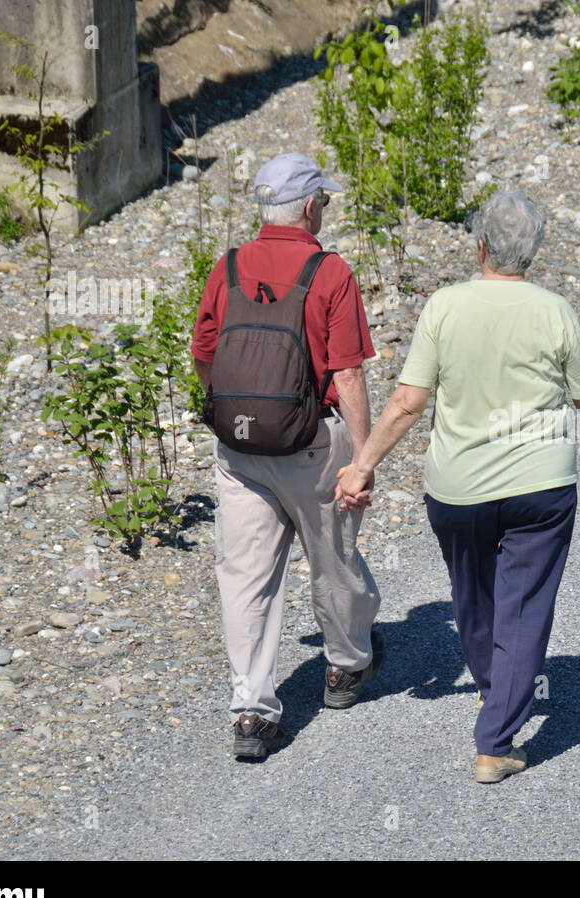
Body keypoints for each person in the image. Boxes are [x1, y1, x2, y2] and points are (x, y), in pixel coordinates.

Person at [336, 190, 580, 783]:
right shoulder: (555, 311)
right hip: (539, 487)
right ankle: (496, 736)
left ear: (481, 245)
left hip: (458, 488)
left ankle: (496, 699)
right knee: (523, 605)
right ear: (534, 251)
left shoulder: (445, 306)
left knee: (473, 597)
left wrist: (364, 464)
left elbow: (407, 401)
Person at [190, 153, 382, 759]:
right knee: (333, 557)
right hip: (310, 445)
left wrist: (234, 408)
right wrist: (364, 458)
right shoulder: (330, 271)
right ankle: (346, 665)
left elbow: (203, 354)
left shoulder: (229, 266)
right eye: (322, 199)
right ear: (307, 206)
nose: (324, 207)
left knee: (244, 576)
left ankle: (251, 711)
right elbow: (347, 376)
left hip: (239, 449)